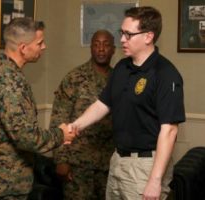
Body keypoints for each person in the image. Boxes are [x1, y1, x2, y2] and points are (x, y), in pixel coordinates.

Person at [69, 6, 185, 200]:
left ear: (148, 36)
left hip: (146, 167)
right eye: (122, 33)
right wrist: (75, 126)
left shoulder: (166, 74)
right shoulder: (122, 67)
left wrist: (155, 181)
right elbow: (102, 104)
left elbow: (170, 131)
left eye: (128, 34)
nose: (122, 39)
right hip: (118, 160)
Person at [0, 17, 76, 200]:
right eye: (39, 43)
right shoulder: (10, 81)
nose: (44, 47)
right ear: (23, 48)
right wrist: (60, 134)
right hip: (5, 182)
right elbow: (26, 137)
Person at [50, 30, 116, 200]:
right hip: (78, 163)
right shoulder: (74, 78)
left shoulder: (119, 79)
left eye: (106, 44)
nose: (101, 49)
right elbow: (59, 119)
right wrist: (61, 159)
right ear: (91, 48)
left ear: (114, 49)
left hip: (109, 163)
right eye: (96, 44)